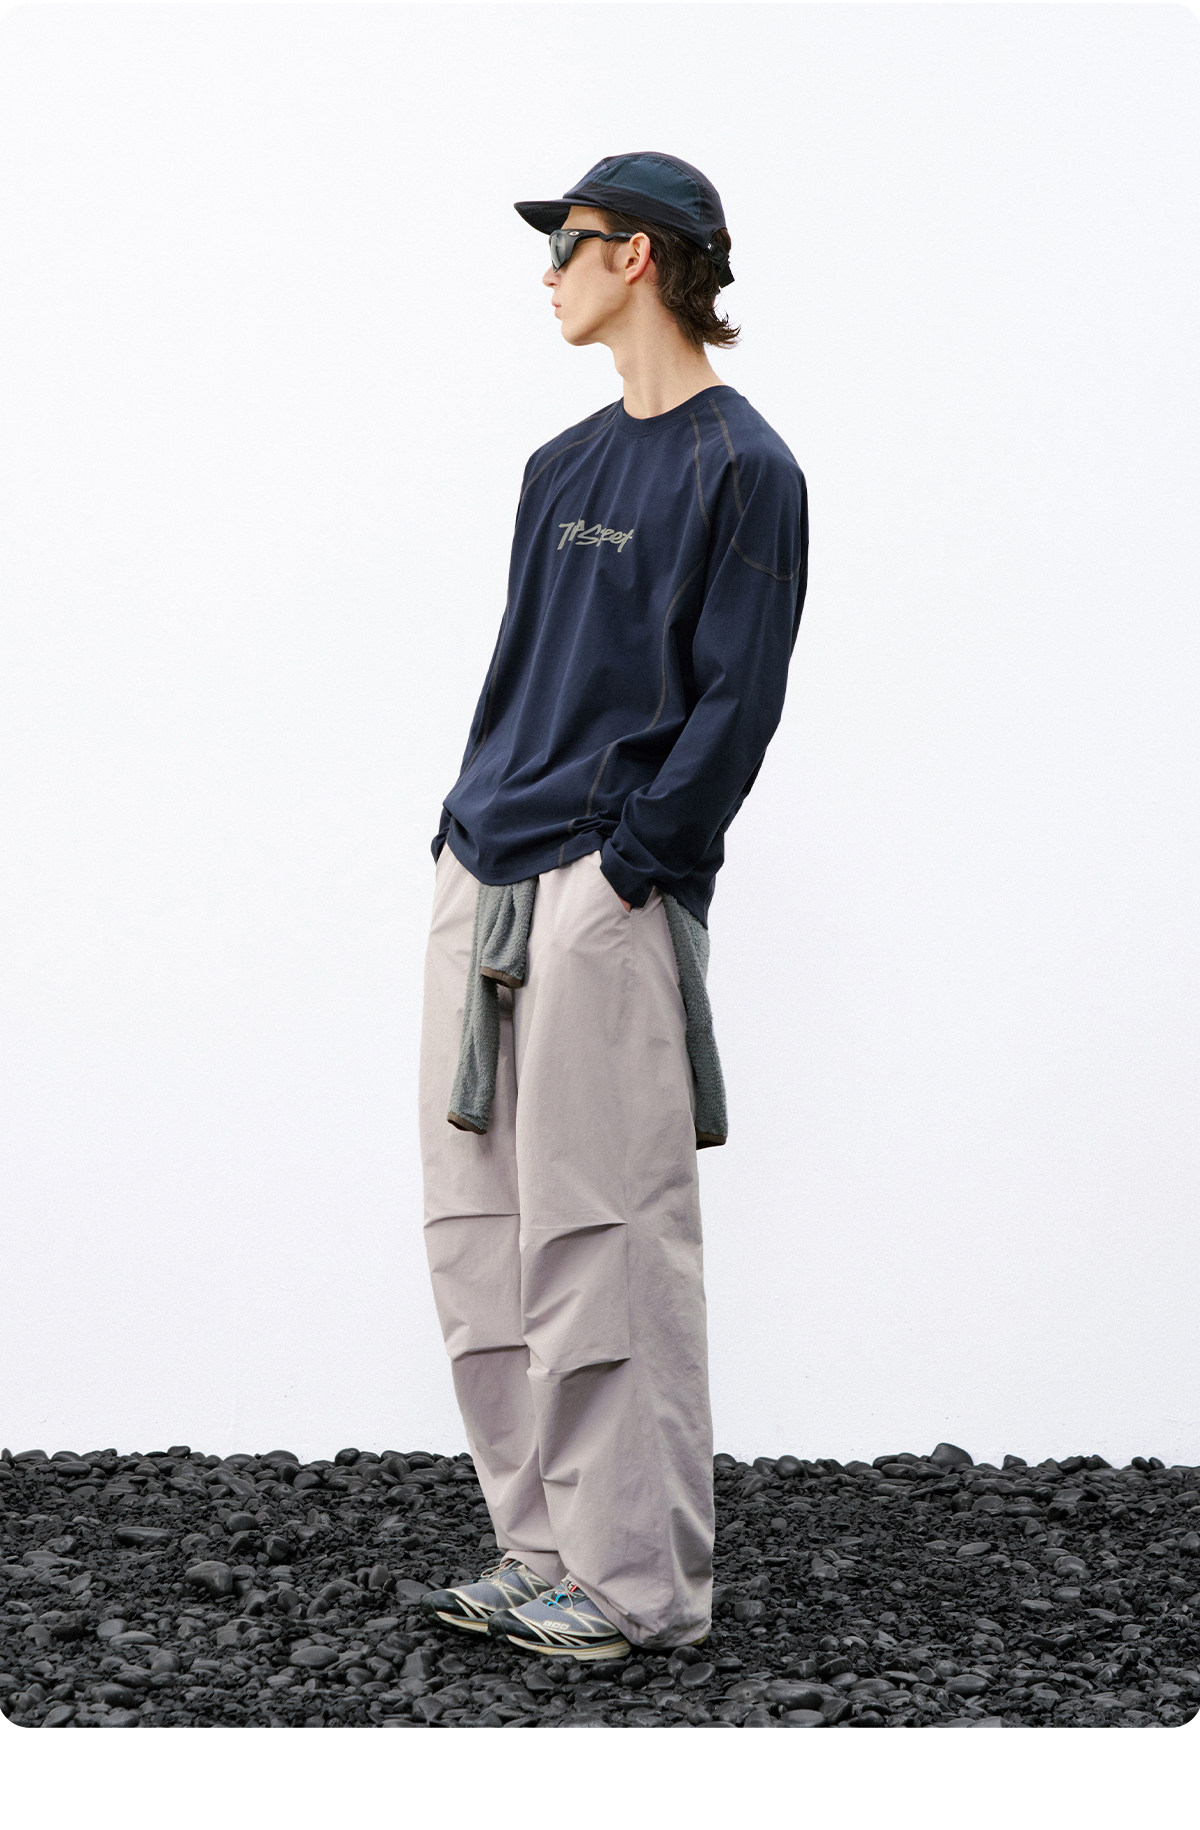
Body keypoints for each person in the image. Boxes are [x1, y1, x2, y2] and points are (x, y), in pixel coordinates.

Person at [416, 151, 809, 1661]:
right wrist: (459, 833)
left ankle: (638, 1583)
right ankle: (543, 1552)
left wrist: (634, 866)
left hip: (604, 881)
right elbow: (521, 665)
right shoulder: (560, 466)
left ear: (637, 255)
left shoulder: (745, 467)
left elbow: (735, 705)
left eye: (566, 244)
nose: (548, 273)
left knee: (609, 1230)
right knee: (479, 1230)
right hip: (485, 864)